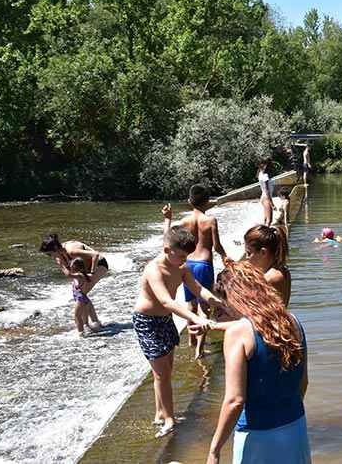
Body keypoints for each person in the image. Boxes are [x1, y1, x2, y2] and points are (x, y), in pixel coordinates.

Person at [195, 261, 310, 464]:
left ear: (234, 298)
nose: (223, 307)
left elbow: (235, 400)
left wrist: (214, 449)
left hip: (256, 434)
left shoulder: (237, 333)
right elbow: (303, 382)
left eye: (224, 301)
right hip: (296, 427)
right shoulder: (293, 321)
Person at [132, 204, 227, 438]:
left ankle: (159, 412)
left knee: (166, 370)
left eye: (187, 256)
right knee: (161, 373)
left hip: (165, 321)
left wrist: (218, 302)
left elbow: (198, 289)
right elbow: (166, 301)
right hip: (147, 322)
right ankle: (169, 420)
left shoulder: (180, 266)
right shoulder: (154, 270)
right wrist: (195, 317)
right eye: (183, 256)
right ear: (167, 251)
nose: (186, 260)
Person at [181, 184, 229, 359]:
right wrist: (225, 256)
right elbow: (216, 246)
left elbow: (181, 245)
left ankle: (191, 340)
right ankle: (199, 351)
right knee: (204, 307)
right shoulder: (210, 220)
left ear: (189, 201)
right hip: (204, 265)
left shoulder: (184, 221)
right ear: (208, 202)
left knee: (190, 306)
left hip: (188, 264)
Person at [242, 224, 291, 306]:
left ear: (263, 252)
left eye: (249, 253)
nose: (247, 258)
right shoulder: (283, 270)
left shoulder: (270, 278)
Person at [41, 233, 110, 289]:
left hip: (99, 264)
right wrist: (63, 266)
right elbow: (69, 274)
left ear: (56, 248)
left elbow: (95, 255)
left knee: (82, 292)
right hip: (85, 269)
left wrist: (92, 273)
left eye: (49, 254)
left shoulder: (71, 251)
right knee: (77, 291)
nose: (50, 256)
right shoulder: (59, 255)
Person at [68, 257, 101, 337]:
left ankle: (81, 333)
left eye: (72, 266)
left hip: (81, 298)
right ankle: (95, 327)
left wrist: (61, 264)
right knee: (85, 316)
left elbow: (68, 274)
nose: (70, 267)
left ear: (76, 267)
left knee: (77, 316)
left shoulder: (79, 275)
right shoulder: (82, 275)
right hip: (83, 298)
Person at [257, 160, 274, 226]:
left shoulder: (260, 173)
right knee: (269, 220)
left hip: (263, 197)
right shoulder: (265, 176)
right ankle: (265, 232)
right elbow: (267, 190)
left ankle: (262, 231)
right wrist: (271, 203)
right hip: (266, 198)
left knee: (266, 219)